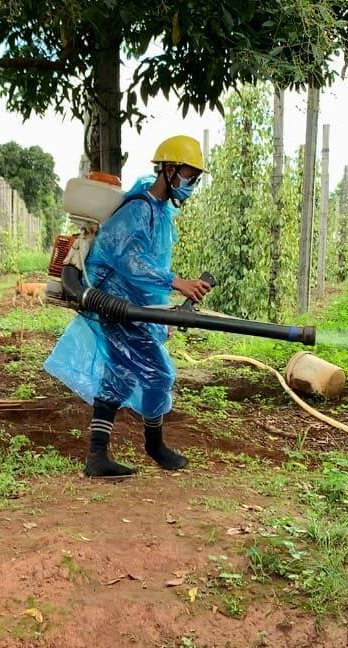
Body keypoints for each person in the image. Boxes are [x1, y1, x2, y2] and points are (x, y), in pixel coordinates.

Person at [45, 135, 211, 478]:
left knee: (120, 374)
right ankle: (153, 445)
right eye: (187, 175)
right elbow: (129, 259)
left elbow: (149, 261)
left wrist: (161, 309)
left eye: (195, 177)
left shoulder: (159, 212)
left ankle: (98, 456)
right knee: (158, 373)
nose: (190, 184)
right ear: (168, 169)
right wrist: (176, 282)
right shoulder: (139, 208)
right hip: (114, 304)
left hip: (132, 305)